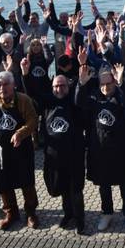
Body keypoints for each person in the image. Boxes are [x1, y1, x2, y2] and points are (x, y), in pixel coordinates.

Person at [75, 51, 125, 232]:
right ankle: (107, 212)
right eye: (103, 84)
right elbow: (79, 102)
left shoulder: (120, 95)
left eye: (109, 83)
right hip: (100, 149)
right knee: (104, 184)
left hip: (121, 149)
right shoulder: (93, 97)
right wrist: (81, 83)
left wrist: (120, 82)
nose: (106, 87)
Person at [0, 70, 40, 230]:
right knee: (3, 184)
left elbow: (33, 121)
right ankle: (11, 213)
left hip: (21, 150)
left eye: (6, 84)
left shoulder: (24, 100)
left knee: (27, 182)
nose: (2, 88)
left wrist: (21, 133)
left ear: (13, 85)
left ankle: (31, 213)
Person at [39, 74, 86, 235]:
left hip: (74, 156)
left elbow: (81, 95)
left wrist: (81, 82)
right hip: (54, 157)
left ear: (68, 86)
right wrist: (24, 74)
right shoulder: (48, 103)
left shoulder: (74, 103)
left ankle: (80, 219)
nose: (59, 89)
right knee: (63, 189)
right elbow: (32, 90)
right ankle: (68, 214)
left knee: (76, 190)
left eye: (62, 86)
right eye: (56, 86)